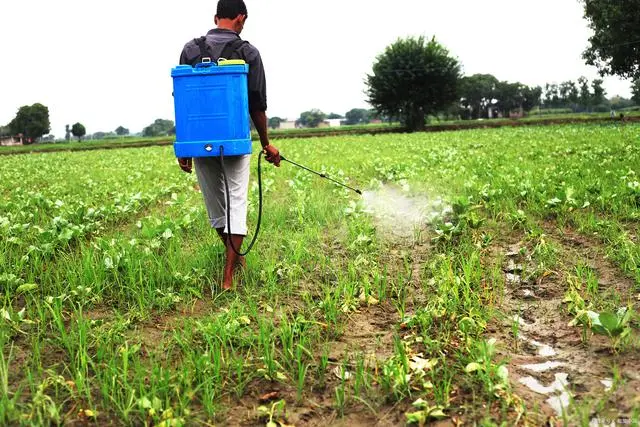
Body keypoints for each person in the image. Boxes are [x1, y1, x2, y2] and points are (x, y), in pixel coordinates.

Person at [177, 0, 281, 290]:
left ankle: (233, 260)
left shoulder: (190, 49)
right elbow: (257, 105)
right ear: (241, 18)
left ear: (215, 17)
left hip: (200, 142)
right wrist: (266, 143)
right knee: (236, 202)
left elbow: (183, 100)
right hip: (235, 141)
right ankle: (228, 276)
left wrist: (184, 147)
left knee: (216, 207)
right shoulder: (249, 53)